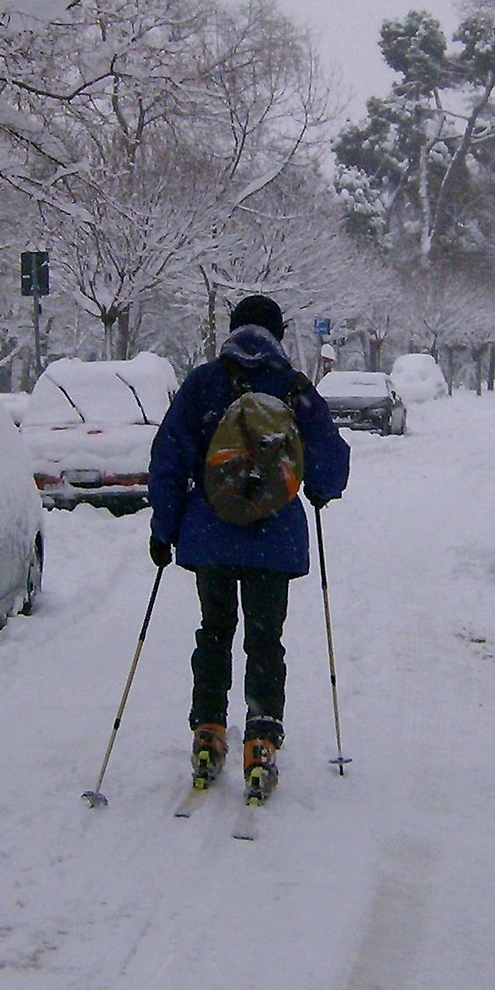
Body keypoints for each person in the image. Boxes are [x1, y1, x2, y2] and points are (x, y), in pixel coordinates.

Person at [148, 295, 350, 799]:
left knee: (214, 631)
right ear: (278, 332)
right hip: (273, 538)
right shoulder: (294, 386)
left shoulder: (203, 383)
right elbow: (329, 458)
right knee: (265, 638)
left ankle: (207, 732)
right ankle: (260, 740)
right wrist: (320, 490)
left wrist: (164, 529)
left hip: (210, 535)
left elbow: (169, 456)